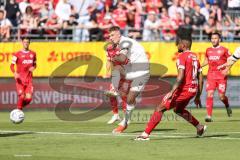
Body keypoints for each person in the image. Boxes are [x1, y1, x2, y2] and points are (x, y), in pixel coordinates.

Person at [135, 38, 206, 140]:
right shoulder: (195, 57)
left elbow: (180, 76)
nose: (177, 46)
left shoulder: (182, 56)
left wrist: (172, 92)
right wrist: (198, 95)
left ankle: (145, 135)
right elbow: (201, 79)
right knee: (179, 110)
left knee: (160, 108)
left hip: (184, 90)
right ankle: (200, 127)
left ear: (183, 45)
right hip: (192, 90)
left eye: (178, 44)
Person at [107, 26, 150, 133]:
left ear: (118, 33)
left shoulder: (125, 41)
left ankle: (125, 122)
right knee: (117, 72)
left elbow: (121, 58)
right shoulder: (122, 43)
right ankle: (116, 89)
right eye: (109, 36)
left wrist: (113, 57)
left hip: (141, 71)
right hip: (132, 69)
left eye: (112, 35)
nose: (110, 38)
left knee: (130, 99)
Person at [201, 32, 232, 122]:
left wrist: (227, 69)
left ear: (219, 39)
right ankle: (209, 116)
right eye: (212, 38)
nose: (213, 40)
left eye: (215, 38)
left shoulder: (224, 50)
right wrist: (200, 66)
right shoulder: (208, 50)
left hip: (221, 76)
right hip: (211, 75)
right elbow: (206, 60)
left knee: (221, 96)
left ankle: (227, 105)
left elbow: (231, 60)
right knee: (209, 94)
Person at [10, 37, 37, 110]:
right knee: (22, 97)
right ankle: (18, 111)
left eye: (27, 42)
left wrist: (34, 68)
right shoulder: (17, 54)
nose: (26, 43)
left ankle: (18, 108)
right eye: (24, 42)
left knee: (29, 99)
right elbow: (11, 66)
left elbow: (35, 65)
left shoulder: (33, 54)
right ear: (22, 43)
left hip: (29, 80)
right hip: (20, 80)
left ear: (29, 43)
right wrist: (14, 73)